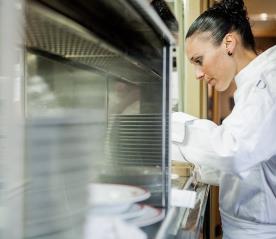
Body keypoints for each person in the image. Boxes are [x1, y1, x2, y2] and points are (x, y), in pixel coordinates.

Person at [172, 0, 276, 238]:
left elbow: (235, 151)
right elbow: (257, 165)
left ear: (229, 43)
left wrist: (170, 128)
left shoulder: (268, 81)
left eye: (199, 60)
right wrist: (200, 169)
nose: (198, 74)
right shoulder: (252, 85)